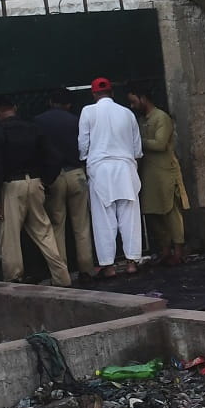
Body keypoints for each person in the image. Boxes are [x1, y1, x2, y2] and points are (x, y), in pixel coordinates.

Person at [0, 94, 71, 287]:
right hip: (35, 183)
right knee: (44, 232)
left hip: (11, 187)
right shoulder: (33, 128)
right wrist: (46, 180)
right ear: (14, 107)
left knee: (10, 238)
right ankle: (62, 277)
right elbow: (54, 157)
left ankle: (14, 281)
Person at [77, 76, 144, 277]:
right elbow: (137, 148)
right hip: (125, 168)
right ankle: (132, 262)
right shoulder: (127, 113)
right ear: (112, 93)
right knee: (130, 218)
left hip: (101, 170)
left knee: (104, 220)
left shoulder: (88, 112)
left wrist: (86, 158)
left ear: (94, 93)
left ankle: (110, 266)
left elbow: (83, 144)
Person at [34, 89, 97, 280]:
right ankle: (87, 269)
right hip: (76, 172)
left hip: (55, 177)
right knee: (82, 224)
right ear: (69, 105)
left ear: (51, 102)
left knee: (57, 225)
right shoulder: (76, 120)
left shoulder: (38, 121)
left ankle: (62, 274)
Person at [122, 86, 187, 267]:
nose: (132, 106)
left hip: (165, 172)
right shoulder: (142, 120)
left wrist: (136, 142)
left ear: (144, 98)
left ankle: (178, 252)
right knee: (153, 214)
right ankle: (165, 251)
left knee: (170, 212)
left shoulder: (161, 118)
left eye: (134, 101)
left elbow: (160, 144)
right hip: (148, 174)